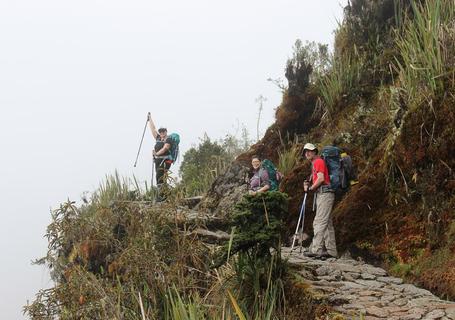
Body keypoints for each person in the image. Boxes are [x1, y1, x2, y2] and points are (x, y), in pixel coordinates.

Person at [302, 143, 337, 259]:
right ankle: (332, 251)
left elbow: (321, 178)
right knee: (327, 223)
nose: (307, 153)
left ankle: (316, 249)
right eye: (306, 151)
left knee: (319, 222)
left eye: (310, 151)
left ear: (315, 152)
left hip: (324, 194)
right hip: (325, 193)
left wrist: (311, 188)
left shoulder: (318, 162)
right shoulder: (316, 163)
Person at [147, 112, 173, 197]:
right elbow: (153, 129)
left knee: (159, 176)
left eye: (163, 131)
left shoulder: (169, 139)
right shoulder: (158, 138)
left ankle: (162, 195)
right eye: (160, 131)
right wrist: (150, 119)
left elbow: (165, 148)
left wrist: (156, 153)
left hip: (166, 160)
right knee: (160, 177)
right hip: (158, 160)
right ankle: (165, 195)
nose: (161, 132)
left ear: (166, 131)